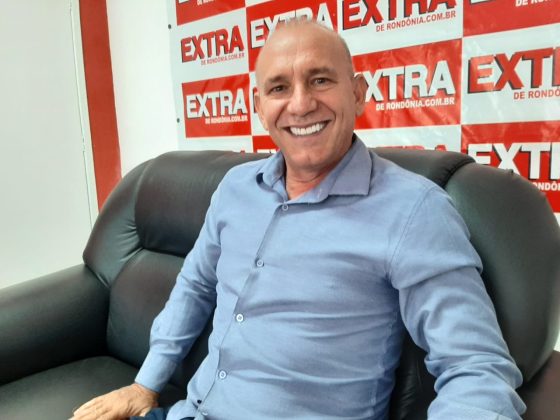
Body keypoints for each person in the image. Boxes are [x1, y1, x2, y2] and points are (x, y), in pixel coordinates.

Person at [71, 19, 526, 420]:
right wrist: (145, 384)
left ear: (358, 93)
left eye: (320, 79)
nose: (301, 104)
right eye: (278, 88)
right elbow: (195, 284)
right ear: (259, 106)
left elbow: (476, 369)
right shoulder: (234, 188)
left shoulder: (414, 209)